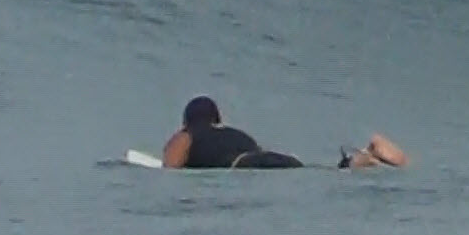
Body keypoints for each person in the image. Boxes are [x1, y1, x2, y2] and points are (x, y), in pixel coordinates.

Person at [160, 96, 409, 170]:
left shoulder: (188, 134)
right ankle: (363, 157)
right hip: (275, 158)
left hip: (249, 166)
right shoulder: (237, 134)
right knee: (318, 171)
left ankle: (359, 161)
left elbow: (171, 166)